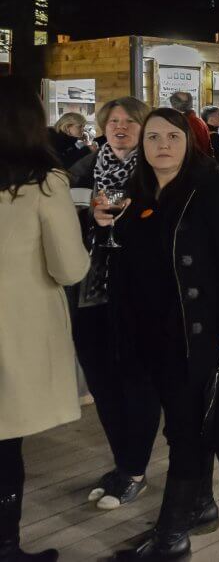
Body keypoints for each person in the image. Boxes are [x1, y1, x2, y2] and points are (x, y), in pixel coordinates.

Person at [95, 108, 219, 560]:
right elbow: (127, 257)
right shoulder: (139, 189)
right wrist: (105, 223)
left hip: (194, 331)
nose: (161, 145)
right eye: (152, 138)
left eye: (171, 136)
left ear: (189, 142)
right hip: (147, 331)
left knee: (187, 430)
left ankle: (171, 538)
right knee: (184, 425)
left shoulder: (210, 188)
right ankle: (200, 506)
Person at [0, 77, 91, 562]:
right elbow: (69, 266)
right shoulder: (44, 182)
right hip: (15, 332)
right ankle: (6, 546)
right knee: (4, 444)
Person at [69, 97, 162, 514]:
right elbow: (62, 224)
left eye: (130, 121)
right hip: (90, 292)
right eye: (113, 121)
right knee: (103, 382)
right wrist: (90, 218)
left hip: (140, 292)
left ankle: (134, 470)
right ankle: (123, 464)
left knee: (137, 380)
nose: (120, 127)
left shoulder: (158, 171)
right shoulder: (81, 170)